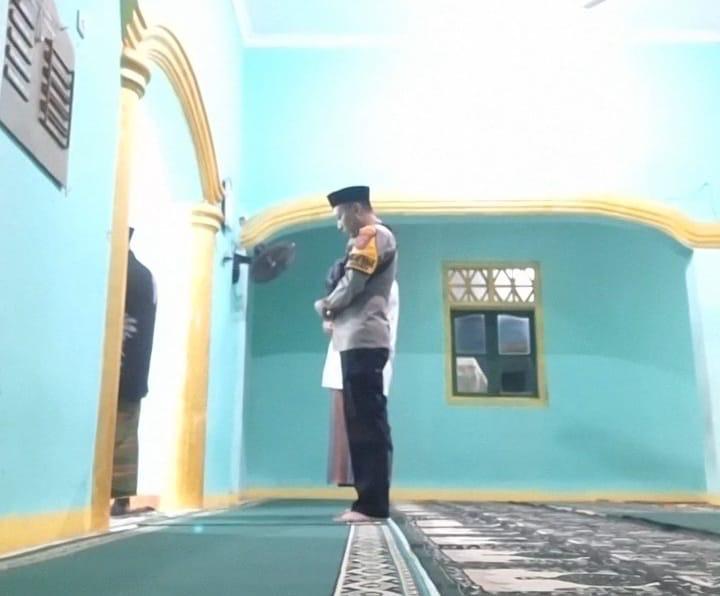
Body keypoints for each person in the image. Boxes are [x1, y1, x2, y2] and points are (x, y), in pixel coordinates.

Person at [314, 186, 398, 522]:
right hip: (356, 341)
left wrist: (327, 305)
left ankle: (372, 504)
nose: (339, 225)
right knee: (362, 423)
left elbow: (353, 282)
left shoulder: (373, 235)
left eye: (340, 217)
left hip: (364, 341)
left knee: (368, 424)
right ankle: (368, 501)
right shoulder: (368, 237)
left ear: (355, 209)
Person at [322, 280, 399, 486]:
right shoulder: (350, 282)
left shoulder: (386, 286)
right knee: (343, 440)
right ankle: (347, 488)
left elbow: (382, 326)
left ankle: (373, 487)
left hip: (369, 364)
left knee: (370, 432)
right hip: (344, 364)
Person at [111, 229, 157, 516]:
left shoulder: (121, 272)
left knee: (116, 435)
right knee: (126, 434)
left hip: (118, 369)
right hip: (135, 371)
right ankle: (121, 500)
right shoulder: (144, 275)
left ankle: (112, 500)